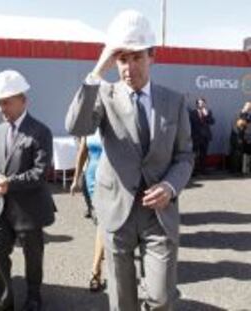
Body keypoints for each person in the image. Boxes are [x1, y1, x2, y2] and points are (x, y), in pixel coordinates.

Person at [65, 10, 193, 311]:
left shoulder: (173, 102)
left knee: (161, 298)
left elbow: (185, 155)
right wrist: (98, 69)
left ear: (152, 56)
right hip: (116, 210)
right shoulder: (105, 94)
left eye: (136, 57)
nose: (129, 67)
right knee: (122, 301)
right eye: (122, 59)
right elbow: (76, 126)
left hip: (158, 214)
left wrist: (171, 187)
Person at [0, 69, 56, 311]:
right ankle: (4, 299)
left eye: (6, 102)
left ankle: (34, 296)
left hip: (30, 210)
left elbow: (40, 173)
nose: (1, 108)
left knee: (32, 257)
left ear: (23, 100)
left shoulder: (40, 131)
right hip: (2, 207)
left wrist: (9, 183)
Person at [70, 131, 105, 292]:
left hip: (113, 182)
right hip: (92, 179)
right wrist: (76, 178)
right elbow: (83, 151)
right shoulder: (89, 124)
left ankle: (95, 271)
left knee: (104, 224)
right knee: (100, 223)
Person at [189, 97, 215, 174]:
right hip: (196, 137)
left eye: (203, 103)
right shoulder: (192, 113)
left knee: (204, 154)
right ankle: (193, 171)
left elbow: (212, 122)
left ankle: (203, 170)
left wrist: (206, 115)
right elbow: (190, 124)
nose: (202, 104)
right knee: (194, 154)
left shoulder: (208, 112)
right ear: (197, 104)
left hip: (205, 137)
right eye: (200, 103)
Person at [229, 101, 251, 173]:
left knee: (241, 154)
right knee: (236, 154)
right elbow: (236, 125)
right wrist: (238, 138)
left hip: (244, 137)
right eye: (248, 107)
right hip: (236, 137)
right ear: (244, 106)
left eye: (250, 108)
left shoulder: (248, 116)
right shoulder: (238, 114)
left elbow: (247, 126)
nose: (248, 108)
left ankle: (240, 169)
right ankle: (234, 170)